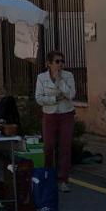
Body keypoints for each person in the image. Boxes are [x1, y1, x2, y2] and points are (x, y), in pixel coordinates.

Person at [35, 50, 76, 193]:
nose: (60, 64)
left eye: (62, 61)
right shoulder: (41, 78)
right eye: (57, 61)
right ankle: (48, 176)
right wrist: (55, 99)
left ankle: (63, 180)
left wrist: (60, 82)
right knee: (49, 146)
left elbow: (71, 94)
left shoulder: (68, 76)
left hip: (66, 114)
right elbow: (39, 98)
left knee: (65, 147)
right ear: (49, 63)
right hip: (49, 115)